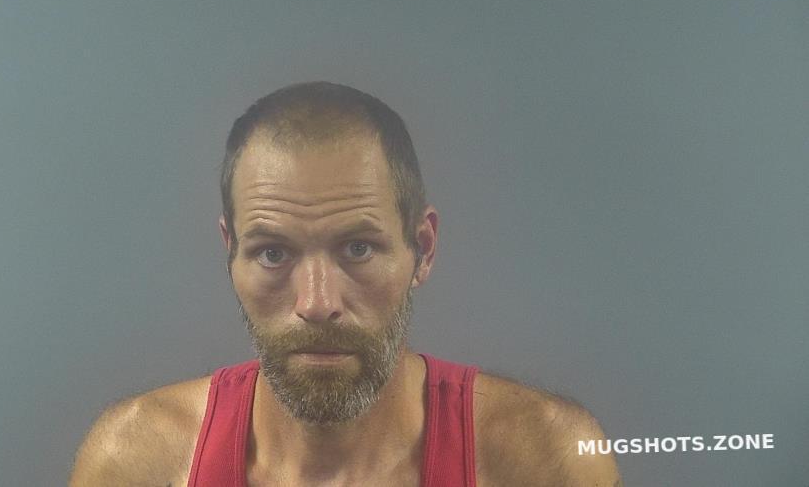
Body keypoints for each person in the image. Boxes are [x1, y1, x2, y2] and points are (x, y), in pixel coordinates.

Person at [69, 82, 621, 486]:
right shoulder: (139, 460)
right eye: (273, 253)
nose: (317, 303)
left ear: (422, 249)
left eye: (358, 249)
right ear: (230, 252)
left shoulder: (543, 459)